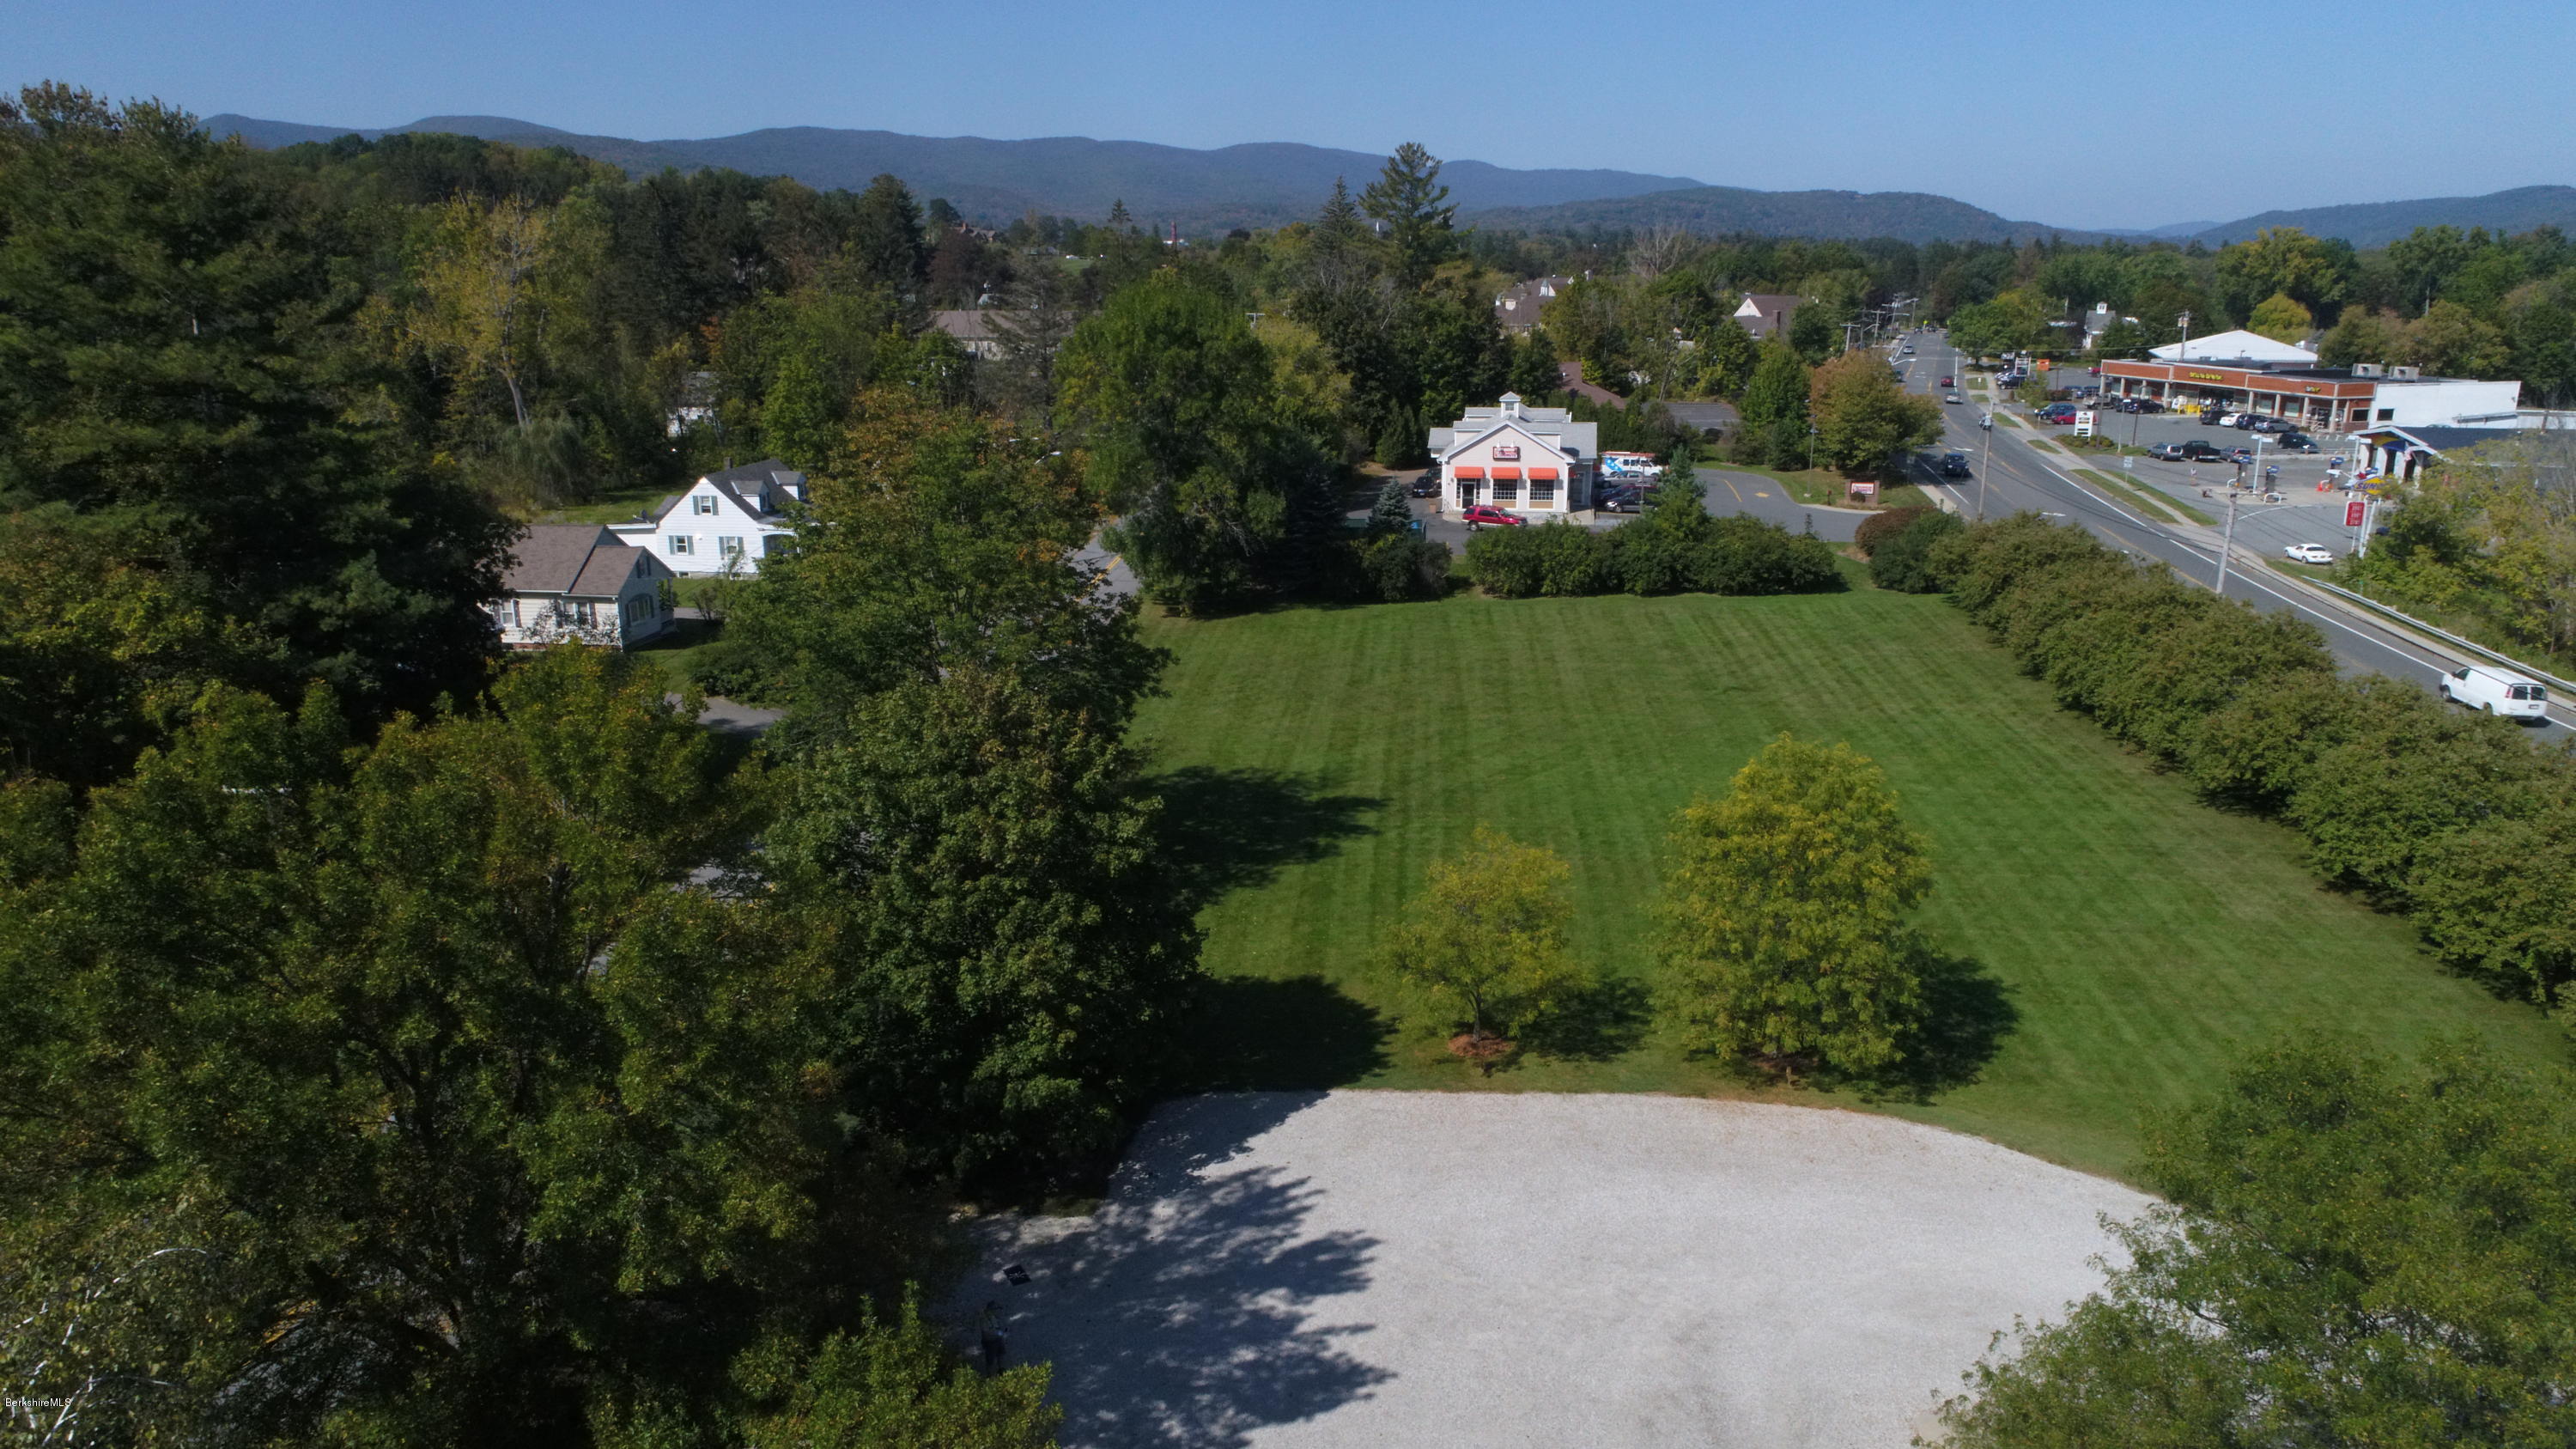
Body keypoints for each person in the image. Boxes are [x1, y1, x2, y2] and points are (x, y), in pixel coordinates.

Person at [978, 1301, 1009, 1373]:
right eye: (997, 1309)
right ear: (992, 1310)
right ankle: (989, 1374)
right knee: (990, 1359)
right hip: (990, 1342)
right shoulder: (984, 1320)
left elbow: (997, 1326)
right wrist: (999, 1333)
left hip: (998, 1339)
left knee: (1001, 1354)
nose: (999, 1311)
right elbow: (986, 1333)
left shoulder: (994, 1317)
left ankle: (1001, 1369)